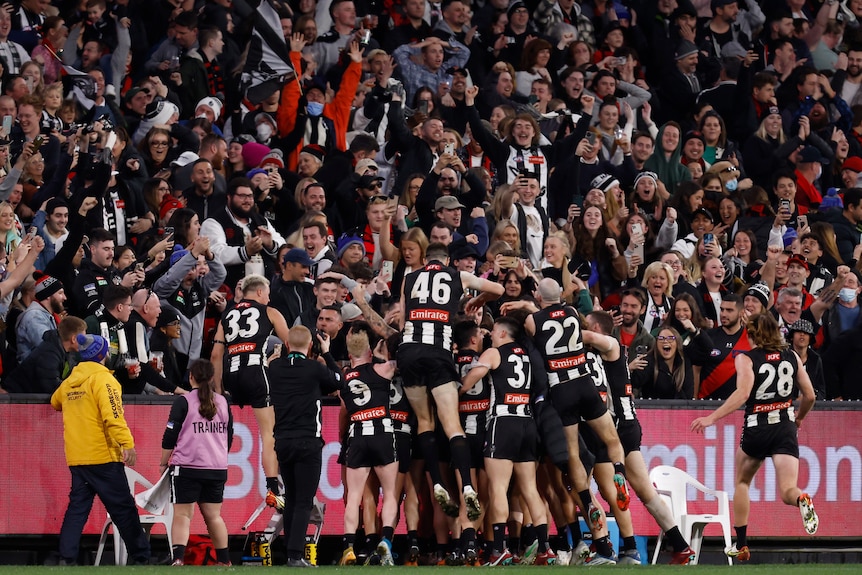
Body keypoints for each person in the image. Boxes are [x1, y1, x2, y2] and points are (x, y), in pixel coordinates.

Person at [692, 313, 818, 562]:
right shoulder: (791, 356)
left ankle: (742, 544)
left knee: (742, 483)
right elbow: (810, 395)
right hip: (784, 426)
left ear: (751, 335)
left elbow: (742, 394)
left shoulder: (746, 359)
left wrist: (711, 418)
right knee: (787, 490)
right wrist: (800, 417)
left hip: (757, 428)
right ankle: (801, 498)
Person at [525, 277, 630, 563]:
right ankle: (620, 472)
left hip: (560, 388)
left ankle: (585, 500)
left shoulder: (534, 320)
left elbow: (534, 330)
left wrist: (530, 304)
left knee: (572, 451)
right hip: (584, 381)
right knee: (611, 438)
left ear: (538, 297)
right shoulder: (572, 313)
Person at [396, 242, 503, 521]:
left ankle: (439, 484)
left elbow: (402, 319)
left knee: (424, 422)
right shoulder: (457, 276)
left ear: (425, 259)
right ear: (447, 260)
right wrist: (479, 300)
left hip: (409, 351)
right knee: (452, 423)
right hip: (439, 352)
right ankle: (467, 485)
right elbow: (498, 290)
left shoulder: (409, 278)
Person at [585, 311, 696, 564]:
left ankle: (614, 546)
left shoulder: (607, 347)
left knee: (604, 489)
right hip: (629, 423)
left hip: (614, 427)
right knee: (646, 492)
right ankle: (680, 545)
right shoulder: (612, 353)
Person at [461, 317, 556, 566]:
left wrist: (458, 391)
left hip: (503, 422)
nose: (490, 335)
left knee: (498, 487)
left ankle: (499, 549)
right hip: (527, 421)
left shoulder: (494, 352)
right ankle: (546, 549)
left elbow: (475, 375)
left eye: (493, 331)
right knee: (530, 489)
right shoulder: (525, 354)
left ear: (503, 333)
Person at [51, 334, 151, 566]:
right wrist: (127, 444)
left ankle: (66, 558)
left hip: (78, 457)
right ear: (102, 355)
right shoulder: (104, 380)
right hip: (103, 456)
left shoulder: (70, 381)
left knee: (77, 509)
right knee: (123, 509)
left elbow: (55, 401)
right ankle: (141, 557)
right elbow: (113, 417)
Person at [211, 274, 290, 512]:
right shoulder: (269, 312)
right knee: (269, 433)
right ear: (258, 292)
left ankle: (216, 481)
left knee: (224, 433)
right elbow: (291, 343)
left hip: (231, 375)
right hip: (256, 372)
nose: (268, 297)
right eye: (266, 293)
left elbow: (215, 355)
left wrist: (219, 390)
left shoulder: (226, 315)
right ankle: (273, 490)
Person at [269, 326, 343, 567]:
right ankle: (294, 555)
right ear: (311, 345)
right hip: (308, 441)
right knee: (303, 500)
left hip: (282, 442)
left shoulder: (275, 369)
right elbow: (340, 381)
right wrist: (328, 353)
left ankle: (291, 552)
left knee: (291, 499)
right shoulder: (314, 368)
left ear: (287, 345)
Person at [160, 359, 233, 566]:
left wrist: (163, 462)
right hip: (217, 468)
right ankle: (225, 562)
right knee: (214, 517)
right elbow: (229, 435)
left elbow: (170, 435)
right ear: (211, 378)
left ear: (190, 377)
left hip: (187, 467)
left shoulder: (183, 401)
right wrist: (217, 454)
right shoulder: (224, 402)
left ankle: (178, 560)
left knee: (183, 515)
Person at [339, 327, 399, 566]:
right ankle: (386, 540)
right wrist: (381, 355)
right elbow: (402, 359)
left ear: (350, 353)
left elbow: (344, 412)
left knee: (354, 496)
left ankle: (348, 548)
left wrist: (343, 436)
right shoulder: (383, 368)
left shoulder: (344, 377)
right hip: (383, 432)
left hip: (357, 434)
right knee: (390, 494)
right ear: (368, 350)